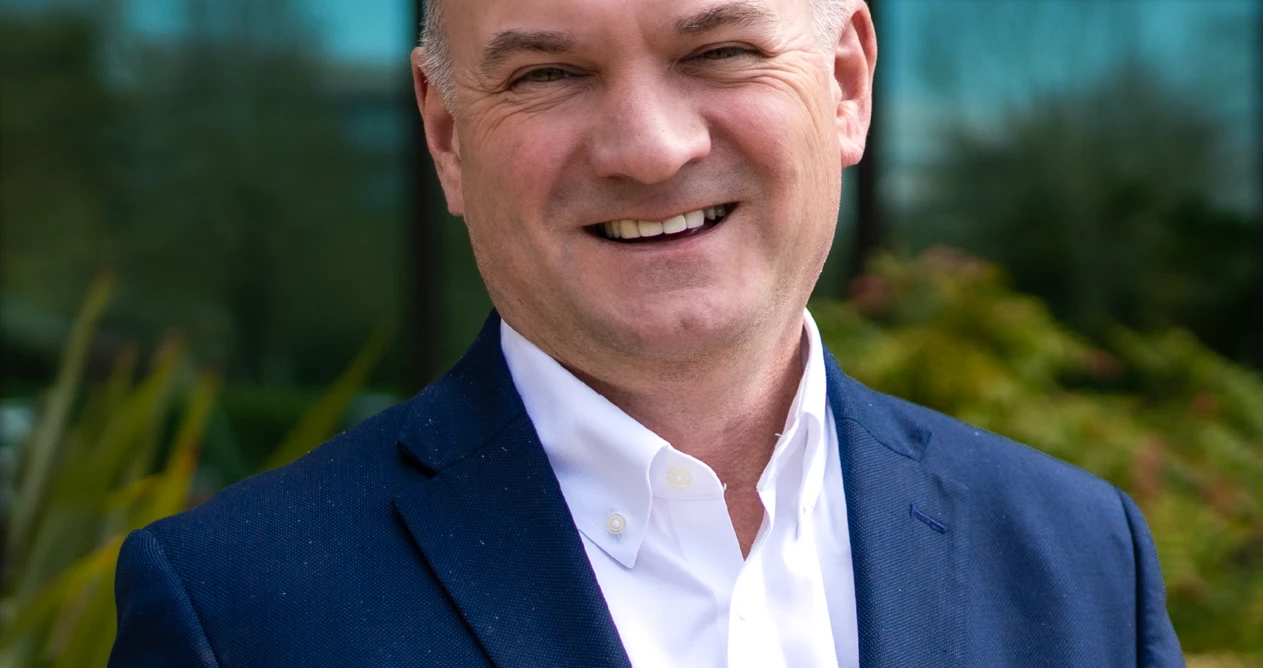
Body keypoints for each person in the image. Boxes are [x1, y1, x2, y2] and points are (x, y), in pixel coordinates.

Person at [109, 0, 1186, 665]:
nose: (649, 147)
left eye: (718, 50)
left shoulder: (1081, 561)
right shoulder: (236, 615)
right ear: (445, 134)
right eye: (548, 74)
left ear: (846, 84)